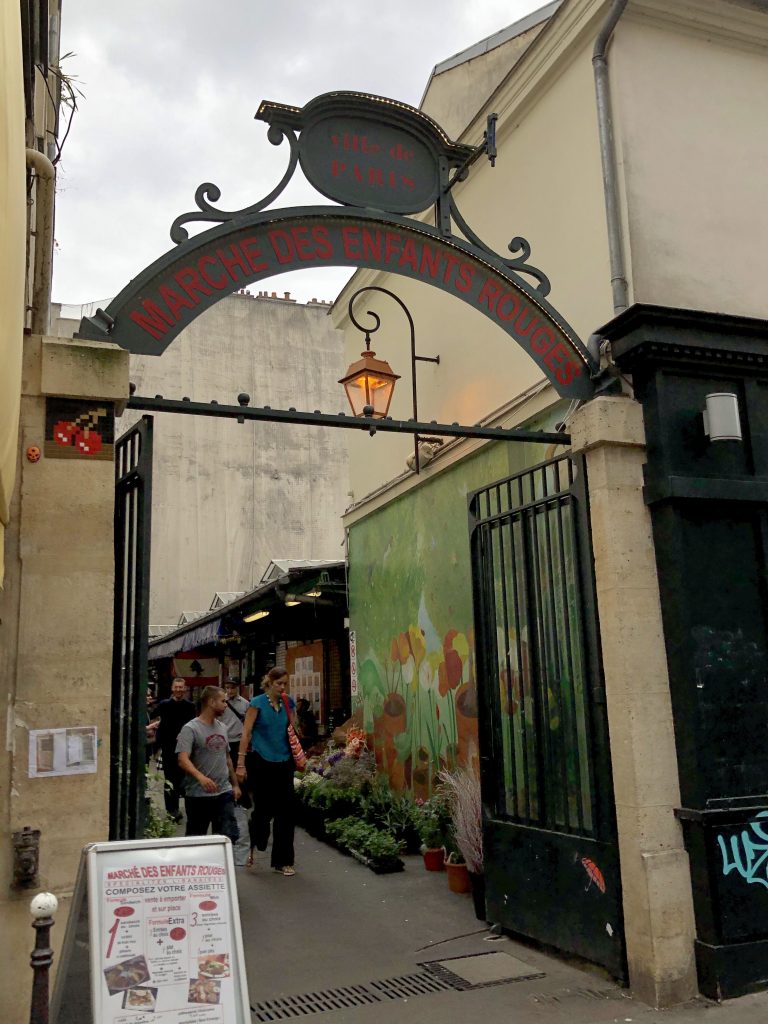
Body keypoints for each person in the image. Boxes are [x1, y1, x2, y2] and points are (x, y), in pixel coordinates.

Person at [236, 668, 297, 875]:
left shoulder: (289, 703)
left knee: (287, 812)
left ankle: (283, 860)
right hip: (261, 761)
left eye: (285, 684)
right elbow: (246, 734)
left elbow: (293, 730)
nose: (282, 688)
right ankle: (255, 845)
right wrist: (241, 763)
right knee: (263, 811)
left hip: (285, 760)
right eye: (279, 683)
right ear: (269, 682)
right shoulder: (257, 704)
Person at [176, 685, 240, 841]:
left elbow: (227, 758)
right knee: (196, 840)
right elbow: (182, 759)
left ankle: (224, 865)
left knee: (226, 838)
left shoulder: (223, 727)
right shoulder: (190, 728)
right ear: (211, 702)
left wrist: (235, 785)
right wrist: (201, 777)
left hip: (223, 792)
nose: (226, 705)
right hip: (198, 795)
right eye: (223, 701)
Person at [151, 677, 195, 820]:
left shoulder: (190, 706)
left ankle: (188, 809)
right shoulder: (164, 705)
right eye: (176, 687)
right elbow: (152, 716)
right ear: (172, 688)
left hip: (185, 748)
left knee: (184, 780)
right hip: (168, 747)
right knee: (169, 780)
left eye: (181, 687)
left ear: (185, 689)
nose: (178, 690)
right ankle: (172, 811)